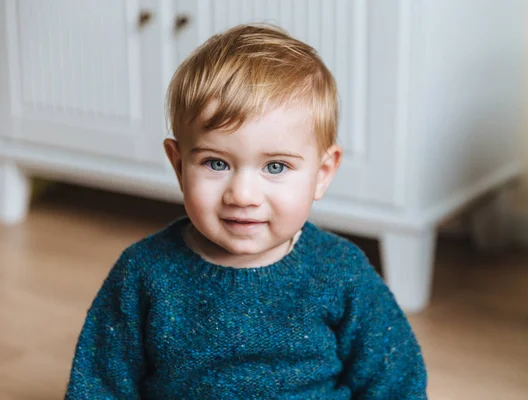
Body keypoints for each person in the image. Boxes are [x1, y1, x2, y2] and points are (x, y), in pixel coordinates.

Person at [65, 23, 427, 399]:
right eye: (216, 163)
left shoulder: (340, 272)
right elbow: (99, 384)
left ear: (322, 174)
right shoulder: (144, 273)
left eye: (275, 167)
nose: (242, 195)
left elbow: (396, 381)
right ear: (179, 165)